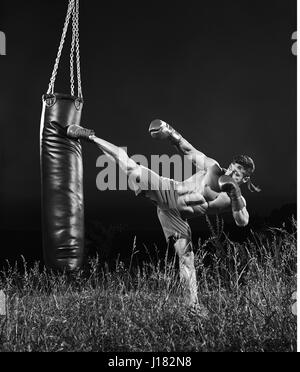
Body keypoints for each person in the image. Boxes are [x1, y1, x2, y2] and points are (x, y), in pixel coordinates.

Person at [67, 121, 261, 315]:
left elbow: (242, 221)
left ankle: (192, 307)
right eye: (231, 168)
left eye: (236, 174)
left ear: (244, 180)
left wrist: (235, 194)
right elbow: (189, 150)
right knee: (130, 166)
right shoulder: (213, 168)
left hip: (176, 217)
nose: (230, 173)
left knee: (187, 258)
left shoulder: (234, 199)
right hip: (169, 191)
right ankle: (88, 136)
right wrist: (171, 134)